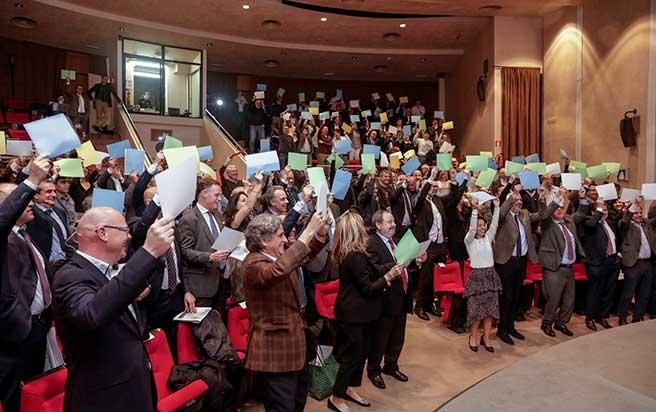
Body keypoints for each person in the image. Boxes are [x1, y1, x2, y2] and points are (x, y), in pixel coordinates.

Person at [52, 209, 175, 412]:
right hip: (104, 400)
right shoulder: (69, 276)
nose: (128, 236)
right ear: (102, 233)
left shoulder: (111, 271)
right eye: (124, 230)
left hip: (133, 390)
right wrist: (148, 252)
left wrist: (156, 258)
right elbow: (92, 314)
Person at [242, 211, 329, 412]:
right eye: (280, 235)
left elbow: (302, 256)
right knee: (282, 407)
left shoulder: (277, 256)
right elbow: (278, 271)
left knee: (297, 403)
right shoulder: (253, 264)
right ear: (264, 241)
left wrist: (320, 235)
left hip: (295, 346)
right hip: (275, 352)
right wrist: (308, 231)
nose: (284, 239)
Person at [329, 211, 404, 412]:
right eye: (361, 225)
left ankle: (351, 388)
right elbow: (368, 288)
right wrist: (388, 276)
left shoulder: (357, 250)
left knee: (361, 354)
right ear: (355, 230)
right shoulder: (353, 254)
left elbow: (374, 270)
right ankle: (336, 397)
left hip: (363, 311)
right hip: (353, 313)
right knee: (352, 357)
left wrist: (392, 267)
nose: (365, 228)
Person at [0, 156, 52, 412]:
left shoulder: (26, 232)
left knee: (31, 389)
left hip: (36, 326)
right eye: (22, 199)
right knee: (11, 397)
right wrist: (31, 180)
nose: (30, 202)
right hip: (13, 332)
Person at [366, 210, 415, 390]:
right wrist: (397, 262)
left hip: (402, 295)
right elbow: (375, 270)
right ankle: (374, 370)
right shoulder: (372, 243)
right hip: (385, 299)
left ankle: (391, 365)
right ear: (378, 225)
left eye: (393, 220)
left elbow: (404, 265)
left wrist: (415, 260)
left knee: (397, 336)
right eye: (389, 222)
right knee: (381, 338)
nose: (393, 224)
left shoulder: (395, 241)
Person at [493, 188, 544, 345]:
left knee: (515, 295)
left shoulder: (525, 215)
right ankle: (502, 329)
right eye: (516, 201)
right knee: (506, 296)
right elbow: (501, 213)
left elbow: (542, 215)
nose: (519, 202)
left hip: (521, 260)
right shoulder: (503, 216)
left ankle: (510, 326)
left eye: (520, 201)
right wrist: (510, 197)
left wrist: (541, 199)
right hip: (506, 261)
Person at [178, 178, 230, 313]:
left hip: (221, 281)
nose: (220, 199)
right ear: (204, 194)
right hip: (201, 286)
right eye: (216, 195)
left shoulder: (217, 215)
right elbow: (185, 252)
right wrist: (210, 257)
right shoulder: (189, 219)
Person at [538, 189, 584, 337]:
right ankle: (547, 323)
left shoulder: (569, 222)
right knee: (554, 298)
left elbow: (581, 214)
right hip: (554, 267)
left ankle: (561, 322)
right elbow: (544, 214)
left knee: (569, 299)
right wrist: (557, 199)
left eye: (561, 208)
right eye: (556, 208)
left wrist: (582, 198)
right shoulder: (547, 224)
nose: (559, 210)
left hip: (569, 267)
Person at [574, 198, 619, 330]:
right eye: (601, 210)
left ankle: (602, 316)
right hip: (597, 263)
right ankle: (590, 318)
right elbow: (593, 223)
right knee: (594, 291)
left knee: (608, 291)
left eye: (605, 210)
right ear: (594, 211)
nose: (604, 213)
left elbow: (617, 238)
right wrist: (598, 208)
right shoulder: (589, 222)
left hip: (612, 261)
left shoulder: (610, 223)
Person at [463, 198, 501, 353]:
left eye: (483, 225)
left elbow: (495, 224)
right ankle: (473, 337)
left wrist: (497, 207)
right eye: (479, 225)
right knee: (476, 312)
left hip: (490, 276)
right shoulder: (469, 240)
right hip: (477, 278)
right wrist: (474, 210)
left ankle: (486, 337)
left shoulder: (488, 238)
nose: (481, 227)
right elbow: (472, 230)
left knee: (489, 311)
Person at [616, 198, 655, 325]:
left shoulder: (646, 224)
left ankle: (638, 317)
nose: (638, 215)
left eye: (640, 213)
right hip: (633, 264)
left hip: (647, 263)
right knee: (628, 293)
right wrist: (634, 205)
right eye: (636, 213)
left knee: (644, 293)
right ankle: (622, 317)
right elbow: (625, 219)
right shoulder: (625, 225)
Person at [26, 179, 72, 270]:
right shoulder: (31, 214)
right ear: (35, 195)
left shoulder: (60, 212)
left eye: (54, 191)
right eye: (48, 192)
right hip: (46, 267)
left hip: (65, 264)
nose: (54, 195)